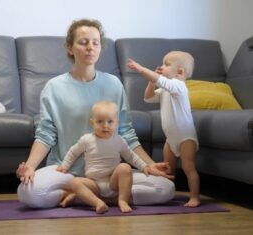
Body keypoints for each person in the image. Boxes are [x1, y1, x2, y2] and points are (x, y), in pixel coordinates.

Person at [16, 18, 175, 209]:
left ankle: (81, 196)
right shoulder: (54, 87)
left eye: (95, 42)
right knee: (27, 192)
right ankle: (89, 193)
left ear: (100, 48)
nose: (90, 47)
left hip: (110, 175)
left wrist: (150, 166)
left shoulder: (114, 84)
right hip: (66, 172)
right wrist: (31, 167)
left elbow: (127, 134)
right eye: (83, 42)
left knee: (166, 188)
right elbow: (45, 135)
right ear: (70, 47)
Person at [127, 51, 200, 207]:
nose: (161, 66)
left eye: (167, 64)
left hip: (186, 137)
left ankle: (194, 197)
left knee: (188, 167)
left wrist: (141, 69)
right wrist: (152, 82)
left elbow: (161, 80)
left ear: (180, 72)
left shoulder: (178, 86)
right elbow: (148, 97)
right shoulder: (166, 89)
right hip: (171, 139)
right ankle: (169, 192)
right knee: (168, 168)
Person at [57, 100, 148, 213]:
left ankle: (123, 200)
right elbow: (73, 152)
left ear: (117, 123)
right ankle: (98, 203)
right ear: (92, 122)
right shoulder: (87, 140)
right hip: (94, 183)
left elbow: (132, 157)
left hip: (113, 182)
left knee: (125, 167)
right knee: (75, 182)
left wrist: (145, 167)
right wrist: (65, 165)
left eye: (110, 122)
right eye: (100, 121)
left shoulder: (119, 140)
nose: (105, 126)